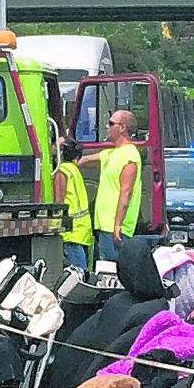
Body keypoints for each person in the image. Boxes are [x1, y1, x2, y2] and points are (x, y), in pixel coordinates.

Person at [93, 109, 141, 262]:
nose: (107, 127)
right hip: (105, 225)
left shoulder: (130, 155)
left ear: (122, 128)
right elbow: (87, 159)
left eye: (111, 123)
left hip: (115, 228)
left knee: (112, 271)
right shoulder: (112, 153)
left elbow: (125, 192)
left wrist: (117, 226)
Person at [52, 137, 92, 270]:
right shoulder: (74, 170)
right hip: (82, 228)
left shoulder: (62, 172)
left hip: (70, 230)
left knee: (76, 274)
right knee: (82, 270)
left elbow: (59, 202)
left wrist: (52, 224)